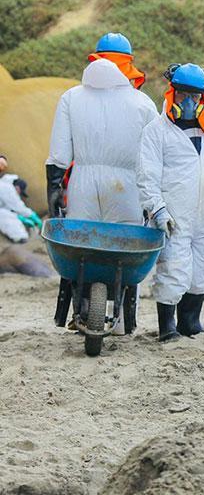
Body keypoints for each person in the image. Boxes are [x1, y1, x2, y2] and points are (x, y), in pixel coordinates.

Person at [46, 33, 157, 333]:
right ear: (128, 65)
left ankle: (80, 310)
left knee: (82, 247)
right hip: (128, 186)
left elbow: (59, 153)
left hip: (83, 181)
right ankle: (122, 320)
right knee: (123, 248)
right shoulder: (142, 103)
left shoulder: (71, 97)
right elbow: (154, 154)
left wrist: (55, 189)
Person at [138, 63, 204, 341]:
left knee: (203, 270)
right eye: (184, 95)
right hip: (174, 216)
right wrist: (157, 210)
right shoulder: (156, 131)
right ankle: (167, 327)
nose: (190, 102)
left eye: (196, 97)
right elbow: (147, 176)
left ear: (203, 98)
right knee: (173, 270)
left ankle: (190, 323)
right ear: (173, 92)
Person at [0, 157, 40, 243]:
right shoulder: (6, 187)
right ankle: (21, 239)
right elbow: (18, 207)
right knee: (6, 216)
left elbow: (8, 207)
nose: (19, 194)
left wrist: (20, 217)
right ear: (17, 188)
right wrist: (33, 216)